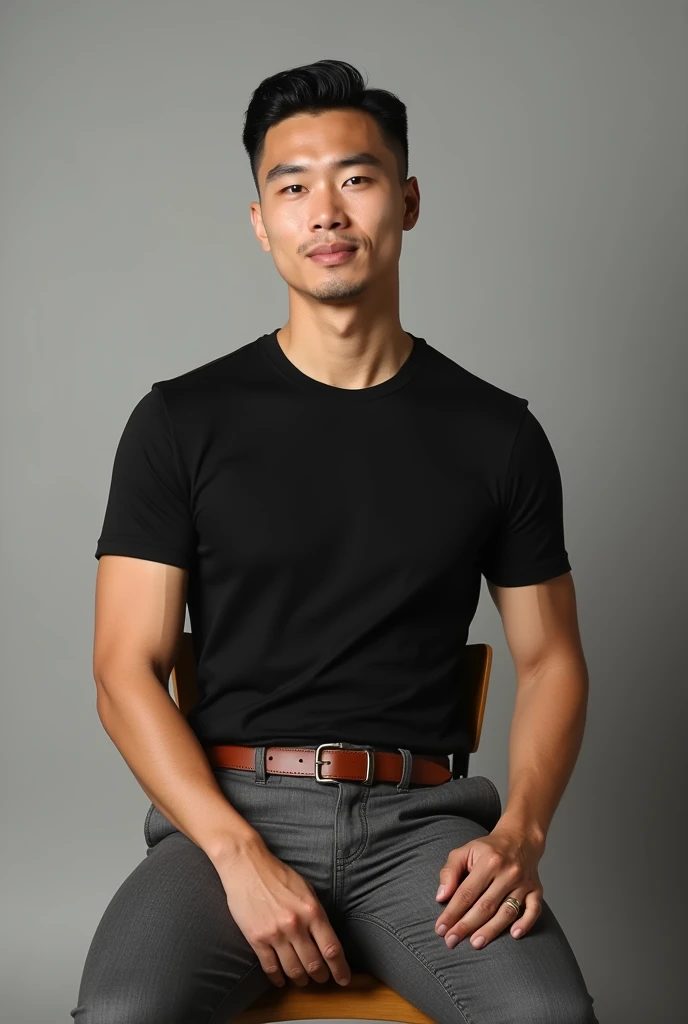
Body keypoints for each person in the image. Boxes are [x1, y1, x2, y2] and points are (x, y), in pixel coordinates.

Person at [71, 59, 598, 1023]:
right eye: (292, 186)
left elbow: (554, 656)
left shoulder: (499, 434)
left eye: (355, 179)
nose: (326, 210)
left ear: (406, 201)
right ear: (260, 221)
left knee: (549, 1019)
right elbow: (123, 671)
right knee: (125, 1013)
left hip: (423, 830)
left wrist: (522, 831)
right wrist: (235, 855)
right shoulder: (180, 422)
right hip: (230, 816)